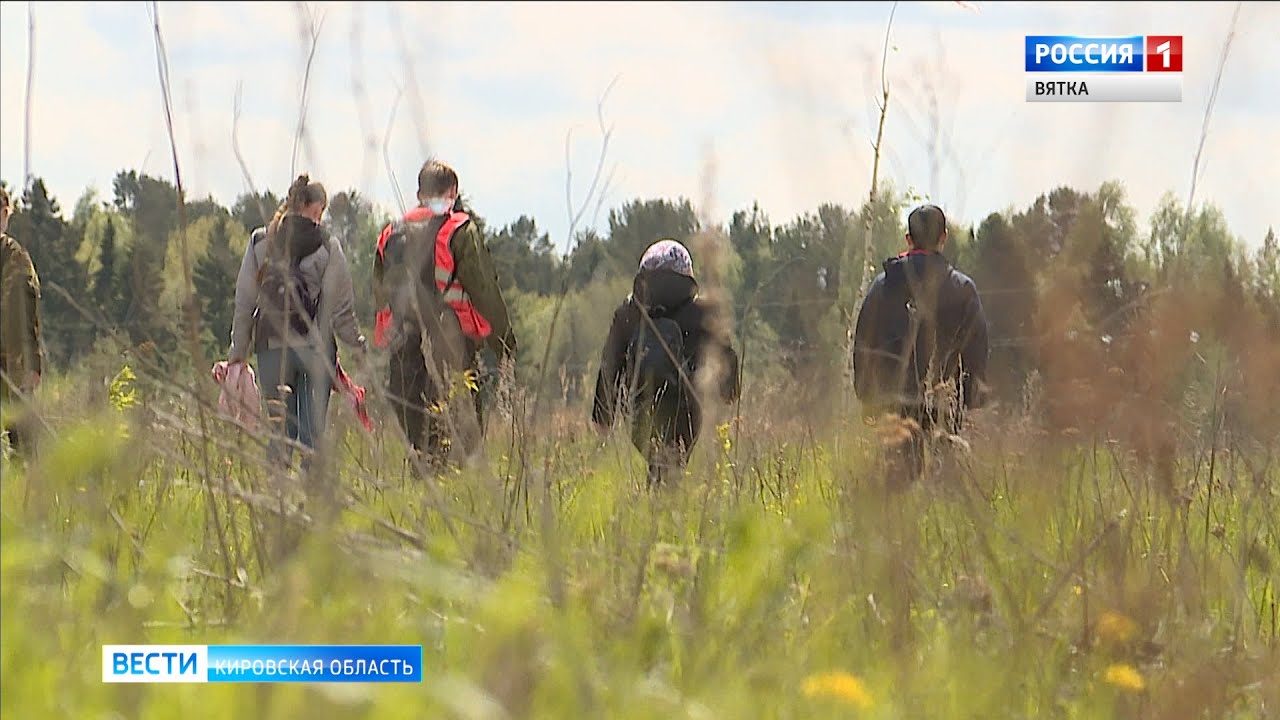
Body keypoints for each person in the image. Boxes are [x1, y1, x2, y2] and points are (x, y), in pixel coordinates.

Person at [373, 159, 516, 467]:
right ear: (452, 191)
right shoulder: (460, 230)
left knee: (413, 410)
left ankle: (423, 465)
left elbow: (379, 291)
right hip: (449, 335)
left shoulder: (390, 233)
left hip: (403, 337)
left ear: (418, 192)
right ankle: (458, 475)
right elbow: (483, 289)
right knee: (458, 408)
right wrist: (504, 339)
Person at [227, 175, 367, 465]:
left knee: (280, 432)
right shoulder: (329, 246)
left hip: (271, 349)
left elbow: (244, 302)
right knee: (311, 435)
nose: (318, 221)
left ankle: (275, 495)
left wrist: (238, 353)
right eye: (317, 213)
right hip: (315, 350)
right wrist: (359, 348)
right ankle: (310, 502)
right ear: (307, 207)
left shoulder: (260, 242)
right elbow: (342, 311)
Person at [852, 203, 990, 486]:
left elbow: (863, 346)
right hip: (943, 412)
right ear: (944, 238)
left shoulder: (881, 288)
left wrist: (868, 398)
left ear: (908, 239)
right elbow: (977, 351)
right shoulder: (962, 289)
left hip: (892, 415)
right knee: (943, 500)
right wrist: (967, 399)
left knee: (894, 494)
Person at [591, 239, 741, 487]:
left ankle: (656, 513)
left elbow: (609, 369)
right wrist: (728, 395)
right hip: (686, 410)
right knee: (671, 469)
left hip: (639, 410)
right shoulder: (702, 313)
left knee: (659, 466)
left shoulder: (628, 314)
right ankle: (663, 515)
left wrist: (603, 418)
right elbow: (727, 367)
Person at [0, 187, 44, 455]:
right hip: (11, 367)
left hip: (11, 366)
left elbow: (22, 313)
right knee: (24, 451)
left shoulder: (14, 259)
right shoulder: (15, 259)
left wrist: (30, 364)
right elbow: (22, 313)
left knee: (23, 450)